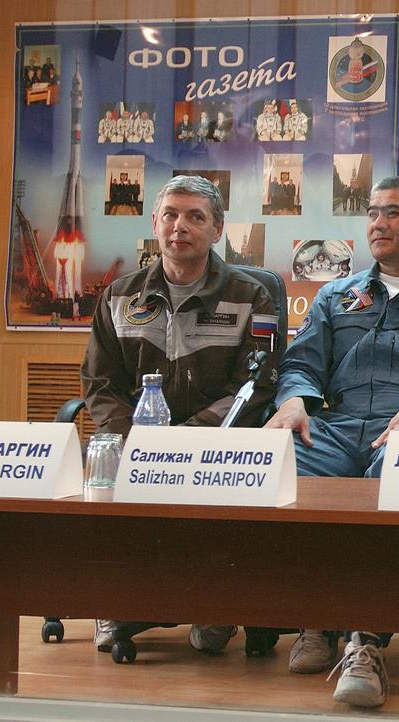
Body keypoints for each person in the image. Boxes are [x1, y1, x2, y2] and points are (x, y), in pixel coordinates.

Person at [265, 175, 399, 709]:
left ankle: (364, 637)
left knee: (390, 480)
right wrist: (293, 400)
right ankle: (314, 616)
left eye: (392, 213)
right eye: (371, 213)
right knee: (273, 466)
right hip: (336, 427)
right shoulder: (338, 293)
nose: (377, 224)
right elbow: (301, 365)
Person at [81, 174, 282, 656]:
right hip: (134, 441)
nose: (180, 227)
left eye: (195, 216)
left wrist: (187, 438)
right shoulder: (120, 296)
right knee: (99, 476)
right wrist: (130, 437)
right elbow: (99, 382)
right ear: (155, 223)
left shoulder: (253, 297)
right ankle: (117, 603)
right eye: (170, 215)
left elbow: (256, 386)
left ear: (217, 230)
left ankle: (213, 605)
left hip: (218, 443)